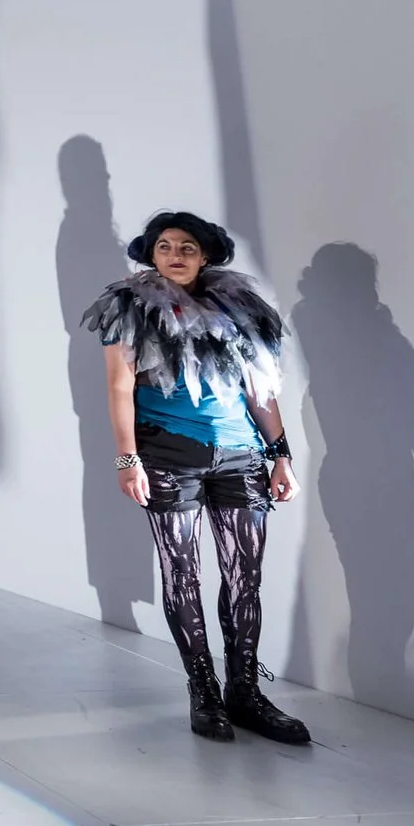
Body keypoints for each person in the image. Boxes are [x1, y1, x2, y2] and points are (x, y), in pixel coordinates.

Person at [82, 211, 309, 745]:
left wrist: (280, 455)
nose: (176, 255)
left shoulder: (241, 307)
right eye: (165, 246)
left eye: (187, 247)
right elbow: (119, 387)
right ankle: (203, 691)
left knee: (244, 576)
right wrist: (127, 460)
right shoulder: (130, 306)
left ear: (205, 255)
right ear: (151, 254)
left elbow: (260, 389)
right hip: (168, 454)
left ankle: (245, 692)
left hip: (240, 454)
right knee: (183, 573)